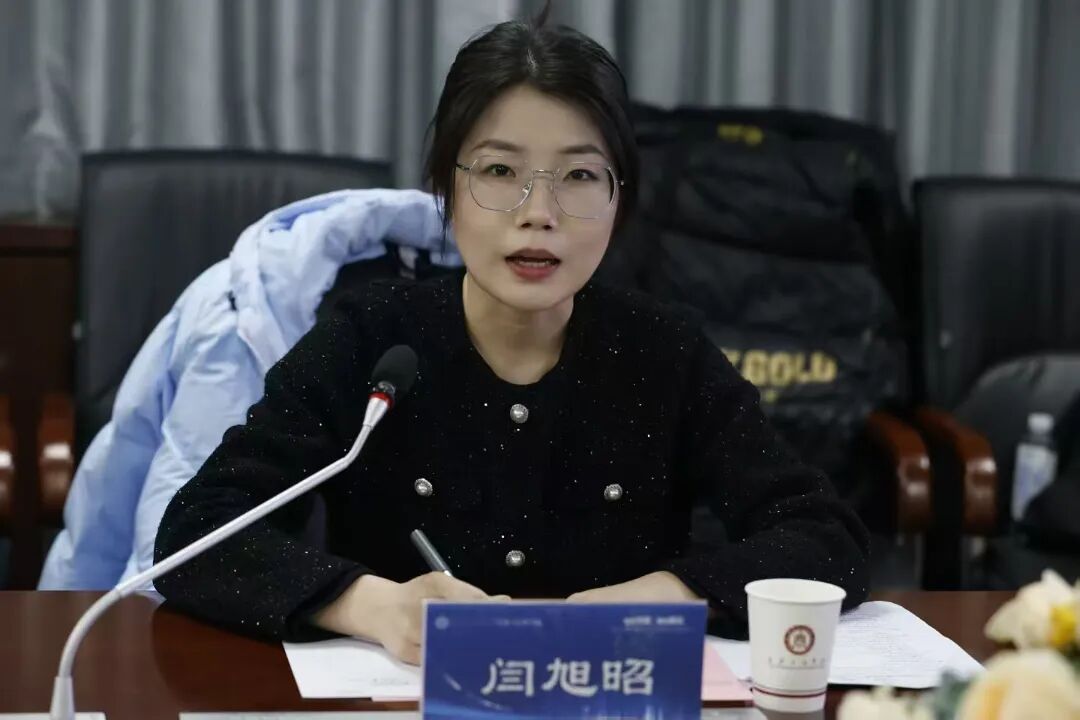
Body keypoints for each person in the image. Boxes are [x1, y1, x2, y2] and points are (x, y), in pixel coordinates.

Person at [155, 13, 870, 665]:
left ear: (619, 199)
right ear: (445, 186)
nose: (539, 213)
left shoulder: (664, 351)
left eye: (579, 175)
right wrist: (375, 607)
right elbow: (196, 534)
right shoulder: (371, 339)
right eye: (500, 171)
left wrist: (666, 594)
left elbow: (823, 537)